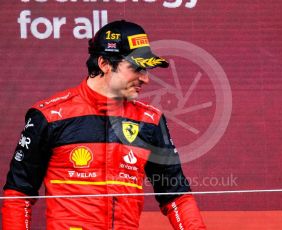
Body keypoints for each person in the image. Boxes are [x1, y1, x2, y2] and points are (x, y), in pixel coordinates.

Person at [2, 20, 206, 229]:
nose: (145, 79)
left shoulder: (150, 120)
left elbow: (176, 197)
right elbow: (18, 194)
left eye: (147, 69)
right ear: (104, 63)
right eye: (137, 68)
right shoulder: (48, 116)